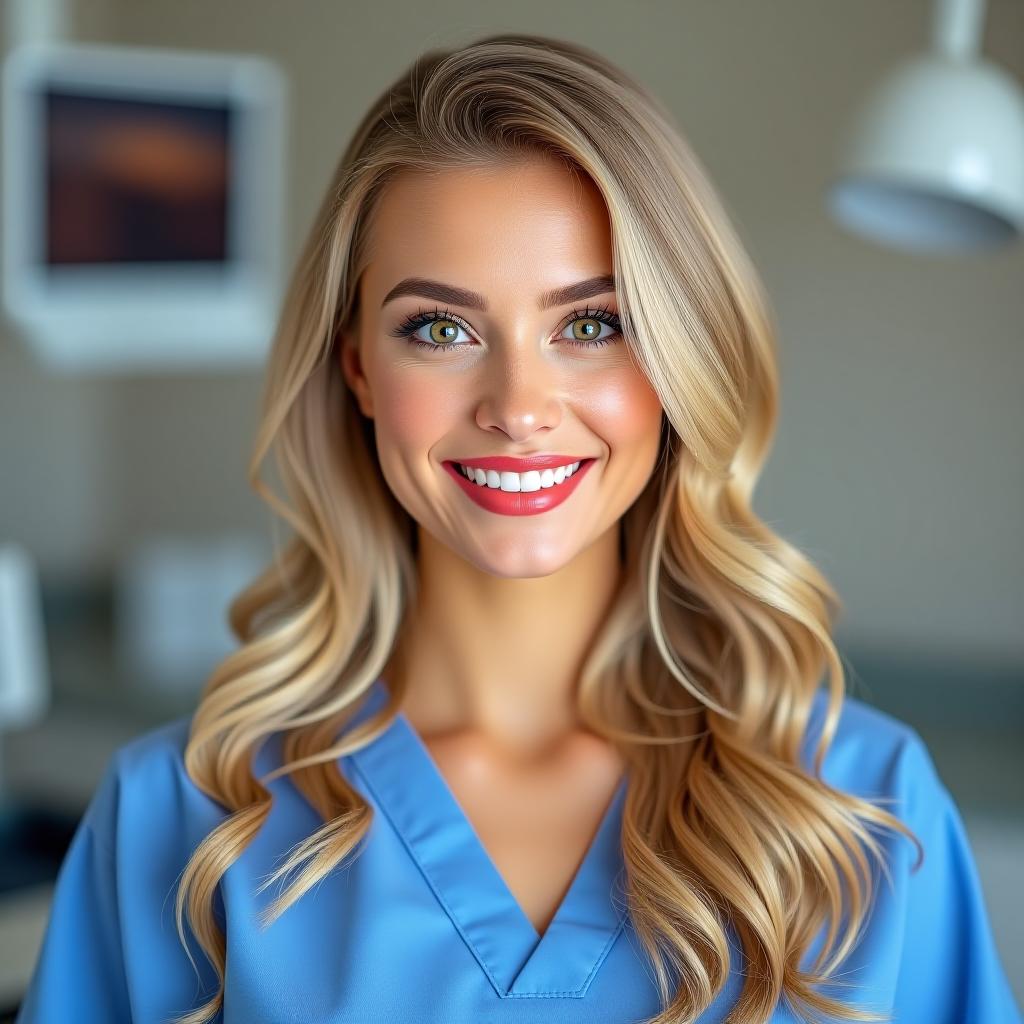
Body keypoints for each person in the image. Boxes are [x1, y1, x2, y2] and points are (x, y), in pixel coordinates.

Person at [15, 32, 1021, 1024]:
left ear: (680, 358)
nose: (518, 404)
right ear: (358, 365)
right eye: (439, 329)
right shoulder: (183, 817)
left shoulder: (865, 806)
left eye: (590, 324)